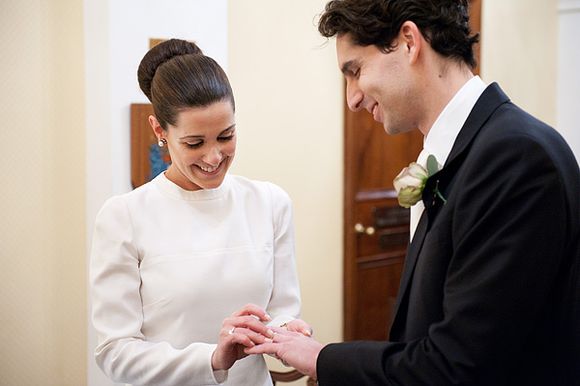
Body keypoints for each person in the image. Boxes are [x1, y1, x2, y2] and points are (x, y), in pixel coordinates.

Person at [246, 1, 580, 385]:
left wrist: (323, 359)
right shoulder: (467, 150)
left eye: (355, 71)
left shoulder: (515, 157)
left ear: (408, 42)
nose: (352, 97)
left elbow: (460, 365)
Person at [90, 38, 311, 386]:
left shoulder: (270, 203)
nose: (213, 157)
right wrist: (212, 357)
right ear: (160, 131)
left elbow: (281, 311)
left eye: (226, 137)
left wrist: (289, 331)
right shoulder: (124, 216)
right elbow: (115, 351)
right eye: (195, 143)